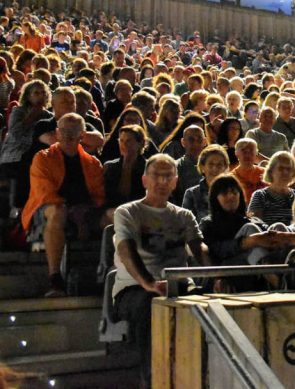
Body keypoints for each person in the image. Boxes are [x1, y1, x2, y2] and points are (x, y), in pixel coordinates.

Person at [112, 153, 214, 387]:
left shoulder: (184, 215)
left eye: (168, 176)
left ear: (175, 182)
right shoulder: (127, 212)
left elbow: (199, 248)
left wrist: (214, 275)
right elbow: (127, 250)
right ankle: (153, 380)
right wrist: (148, 282)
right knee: (152, 306)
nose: (162, 181)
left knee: (209, 307)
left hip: (177, 286)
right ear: (144, 180)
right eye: (156, 176)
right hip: (134, 288)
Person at [22, 113, 106, 297]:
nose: (68, 136)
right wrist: (75, 215)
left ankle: (112, 273)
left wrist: (83, 217)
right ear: (57, 133)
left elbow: (98, 197)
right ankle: (55, 278)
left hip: (84, 212)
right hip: (48, 212)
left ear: (82, 135)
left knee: (114, 216)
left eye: (74, 132)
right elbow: (46, 194)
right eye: (64, 131)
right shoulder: (42, 158)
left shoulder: (93, 163)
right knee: (58, 212)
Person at [200, 174, 295, 291]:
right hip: (230, 268)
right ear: (215, 198)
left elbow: (267, 237)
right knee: (250, 229)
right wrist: (247, 242)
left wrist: (291, 236)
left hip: (257, 268)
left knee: (279, 226)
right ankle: (277, 281)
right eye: (224, 193)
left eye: (234, 192)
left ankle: (293, 275)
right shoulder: (209, 223)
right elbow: (217, 250)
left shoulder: (253, 219)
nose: (230, 196)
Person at [103, 125, 147, 219]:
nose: (124, 145)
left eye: (129, 141)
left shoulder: (149, 168)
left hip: (141, 211)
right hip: (115, 210)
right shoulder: (110, 167)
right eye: (121, 141)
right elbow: (110, 197)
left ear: (140, 143)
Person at [247, 151, 295, 225]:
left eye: (289, 169)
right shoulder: (260, 196)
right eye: (281, 168)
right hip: (269, 235)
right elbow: (255, 225)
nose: (285, 172)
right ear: (271, 171)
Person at [182, 144, 229, 221]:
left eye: (219, 165)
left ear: (225, 168)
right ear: (202, 167)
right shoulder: (192, 194)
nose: (215, 169)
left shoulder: (233, 191)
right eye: (211, 164)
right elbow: (185, 223)